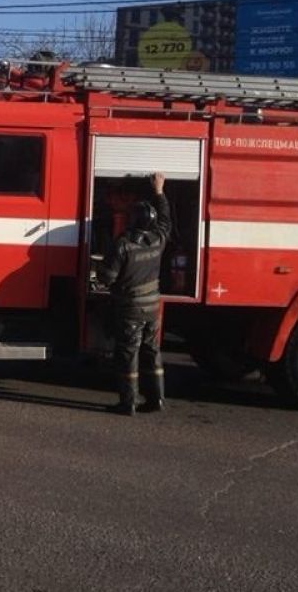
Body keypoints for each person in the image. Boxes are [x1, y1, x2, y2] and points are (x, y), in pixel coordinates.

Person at [98, 173, 172, 416]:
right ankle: (157, 400)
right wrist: (159, 191)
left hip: (130, 308)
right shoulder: (158, 240)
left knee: (129, 354)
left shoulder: (123, 244)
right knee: (152, 352)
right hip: (153, 308)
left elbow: (107, 277)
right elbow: (165, 219)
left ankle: (128, 403)